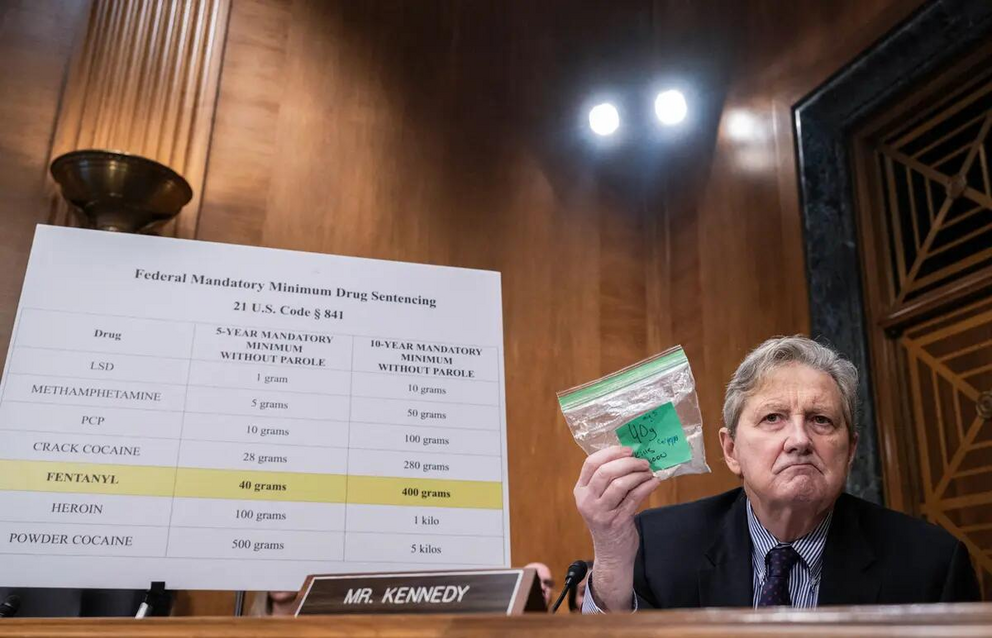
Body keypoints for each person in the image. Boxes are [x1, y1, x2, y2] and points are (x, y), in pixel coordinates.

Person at [574, 336, 980, 612]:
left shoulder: (931, 564)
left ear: (851, 449)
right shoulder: (656, 545)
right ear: (731, 450)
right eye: (773, 418)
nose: (799, 439)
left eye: (821, 420)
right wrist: (611, 553)